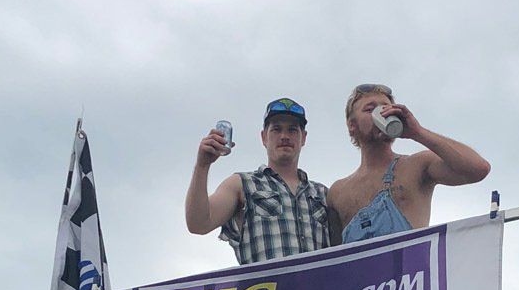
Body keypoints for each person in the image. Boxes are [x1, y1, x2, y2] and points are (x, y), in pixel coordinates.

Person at [327, 85, 491, 244]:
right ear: (352, 125)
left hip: (409, 269)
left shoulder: (416, 166)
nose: (381, 114)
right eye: (370, 110)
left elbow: (478, 169)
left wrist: (417, 132)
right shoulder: (338, 192)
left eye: (386, 108)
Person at [185, 98, 329, 264]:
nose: (284, 136)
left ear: (303, 138)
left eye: (292, 130)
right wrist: (202, 166)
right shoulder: (241, 184)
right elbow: (198, 223)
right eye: (276, 129)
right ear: (264, 138)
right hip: (267, 289)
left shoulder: (322, 194)